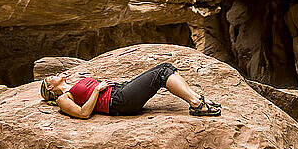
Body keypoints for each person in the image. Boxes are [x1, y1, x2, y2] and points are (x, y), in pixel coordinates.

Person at [40, 62, 221, 119]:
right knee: (161, 73)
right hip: (118, 102)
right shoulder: (63, 98)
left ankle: (198, 98)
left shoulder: (73, 85)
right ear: (50, 87)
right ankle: (197, 104)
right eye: (52, 77)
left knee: (165, 67)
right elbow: (83, 113)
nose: (56, 74)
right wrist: (97, 89)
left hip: (119, 91)